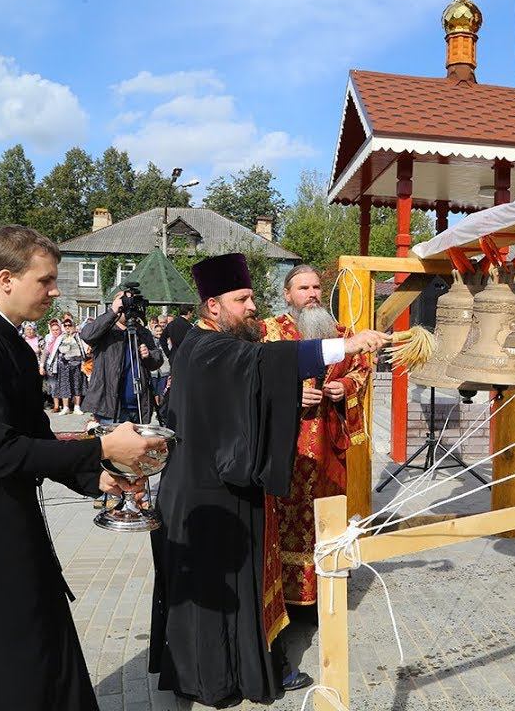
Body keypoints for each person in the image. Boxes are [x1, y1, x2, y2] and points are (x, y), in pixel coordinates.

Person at [0, 224, 166, 711]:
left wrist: (97, 478)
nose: (56, 290)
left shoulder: (11, 343)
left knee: (37, 647)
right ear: (5, 279)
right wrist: (103, 448)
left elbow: (35, 437)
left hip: (7, 520)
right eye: (46, 280)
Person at [148, 253, 390, 708]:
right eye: (242, 299)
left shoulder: (211, 342)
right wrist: (348, 346)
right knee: (211, 596)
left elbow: (256, 376)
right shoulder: (209, 347)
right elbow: (271, 362)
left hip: (219, 484)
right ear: (213, 306)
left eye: (253, 296)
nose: (252, 306)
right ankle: (213, 681)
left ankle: (233, 672)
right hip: (208, 492)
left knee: (234, 589)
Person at [261, 266, 371, 628]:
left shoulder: (341, 333)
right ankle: (287, 600)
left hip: (328, 439)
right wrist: (289, 394)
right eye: (303, 287)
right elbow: (254, 378)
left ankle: (325, 590)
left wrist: (348, 388)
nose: (312, 293)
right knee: (284, 515)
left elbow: (361, 368)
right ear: (287, 294)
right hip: (287, 441)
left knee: (328, 511)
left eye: (316, 287)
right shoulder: (269, 332)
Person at [80, 292, 162, 427]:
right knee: (113, 447)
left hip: (138, 406)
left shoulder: (141, 331)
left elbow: (157, 361)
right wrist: (113, 312)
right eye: (124, 302)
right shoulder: (105, 330)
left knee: (137, 447)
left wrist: (149, 355)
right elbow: (87, 334)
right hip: (110, 407)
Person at [54, 319, 88, 415]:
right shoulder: (61, 337)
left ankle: (77, 407)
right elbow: (55, 351)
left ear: (73, 325)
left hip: (77, 364)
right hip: (64, 365)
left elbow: (84, 349)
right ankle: (66, 407)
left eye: (69, 325)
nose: (67, 327)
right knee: (65, 385)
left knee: (77, 385)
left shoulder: (78, 336)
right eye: (65, 325)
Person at [41, 318, 64, 412]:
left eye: (57, 329)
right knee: (54, 385)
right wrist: (42, 366)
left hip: (63, 365)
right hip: (51, 366)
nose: (55, 332)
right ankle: (56, 405)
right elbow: (45, 353)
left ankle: (65, 405)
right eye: (53, 330)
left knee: (63, 385)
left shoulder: (64, 337)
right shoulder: (49, 339)